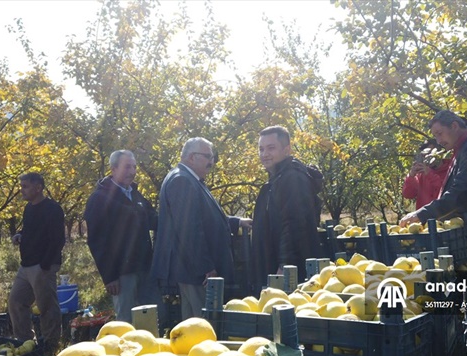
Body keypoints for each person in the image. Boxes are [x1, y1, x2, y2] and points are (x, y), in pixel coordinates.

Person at [151, 137, 252, 319]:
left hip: (193, 270)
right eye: (207, 157)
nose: (211, 162)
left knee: (193, 324)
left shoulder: (189, 179)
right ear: (191, 157)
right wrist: (206, 267)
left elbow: (205, 218)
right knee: (204, 323)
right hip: (196, 272)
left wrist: (236, 222)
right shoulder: (182, 180)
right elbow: (188, 230)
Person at [400, 110, 467, 247]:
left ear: (454, 126)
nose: (439, 141)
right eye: (435, 136)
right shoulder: (462, 149)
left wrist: (423, 214)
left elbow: (462, 192)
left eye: (440, 134)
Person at [84, 150, 161, 323]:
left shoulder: (135, 194)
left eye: (134, 167)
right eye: (127, 167)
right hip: (122, 272)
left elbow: (154, 220)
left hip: (145, 267)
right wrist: (110, 276)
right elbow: (97, 242)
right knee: (126, 320)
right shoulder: (100, 199)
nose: (132, 171)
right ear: (113, 169)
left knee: (152, 317)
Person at [251, 126, 324, 293]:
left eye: (271, 148)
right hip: (275, 265)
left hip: (290, 273)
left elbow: (294, 224)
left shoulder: (292, 178)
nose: (264, 154)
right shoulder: (278, 177)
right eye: (261, 149)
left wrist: (285, 266)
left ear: (287, 149)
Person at [8, 173, 65, 353]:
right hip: (26, 266)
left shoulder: (52, 209)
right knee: (16, 301)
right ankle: (26, 343)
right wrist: (20, 236)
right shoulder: (29, 209)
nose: (21, 190)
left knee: (46, 305)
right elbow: (30, 230)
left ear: (38, 187)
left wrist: (46, 265)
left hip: (42, 265)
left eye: (25, 186)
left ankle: (51, 345)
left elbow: (58, 239)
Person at [402, 139, 451, 210]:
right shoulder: (421, 174)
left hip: (446, 217)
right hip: (425, 219)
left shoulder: (450, 169)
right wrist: (411, 176)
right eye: (424, 155)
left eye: (430, 154)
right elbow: (408, 194)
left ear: (439, 153)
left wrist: (430, 174)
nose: (427, 157)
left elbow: (446, 192)